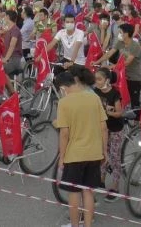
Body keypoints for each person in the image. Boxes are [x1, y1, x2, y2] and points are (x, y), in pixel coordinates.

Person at [54, 68, 107, 227]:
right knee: (88, 191)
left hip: (75, 154)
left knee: (74, 193)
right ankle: (88, 225)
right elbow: (104, 127)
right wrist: (104, 152)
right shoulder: (94, 98)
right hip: (94, 153)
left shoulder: (64, 103)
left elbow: (64, 133)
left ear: (63, 88)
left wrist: (62, 157)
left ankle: (75, 225)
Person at [93, 68, 123, 200]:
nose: (97, 82)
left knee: (114, 156)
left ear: (107, 80)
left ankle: (115, 185)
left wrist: (108, 112)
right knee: (102, 153)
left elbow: (119, 113)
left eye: (99, 79)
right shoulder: (96, 91)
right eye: (96, 79)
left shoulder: (115, 93)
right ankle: (101, 178)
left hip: (115, 129)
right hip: (101, 127)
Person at [100, 24, 141, 108]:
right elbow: (109, 53)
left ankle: (136, 120)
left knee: (134, 102)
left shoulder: (135, 45)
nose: (118, 34)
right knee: (119, 99)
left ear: (127, 34)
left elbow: (127, 62)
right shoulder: (120, 42)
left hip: (133, 78)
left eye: (120, 32)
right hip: (121, 76)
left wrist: (111, 67)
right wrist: (96, 61)